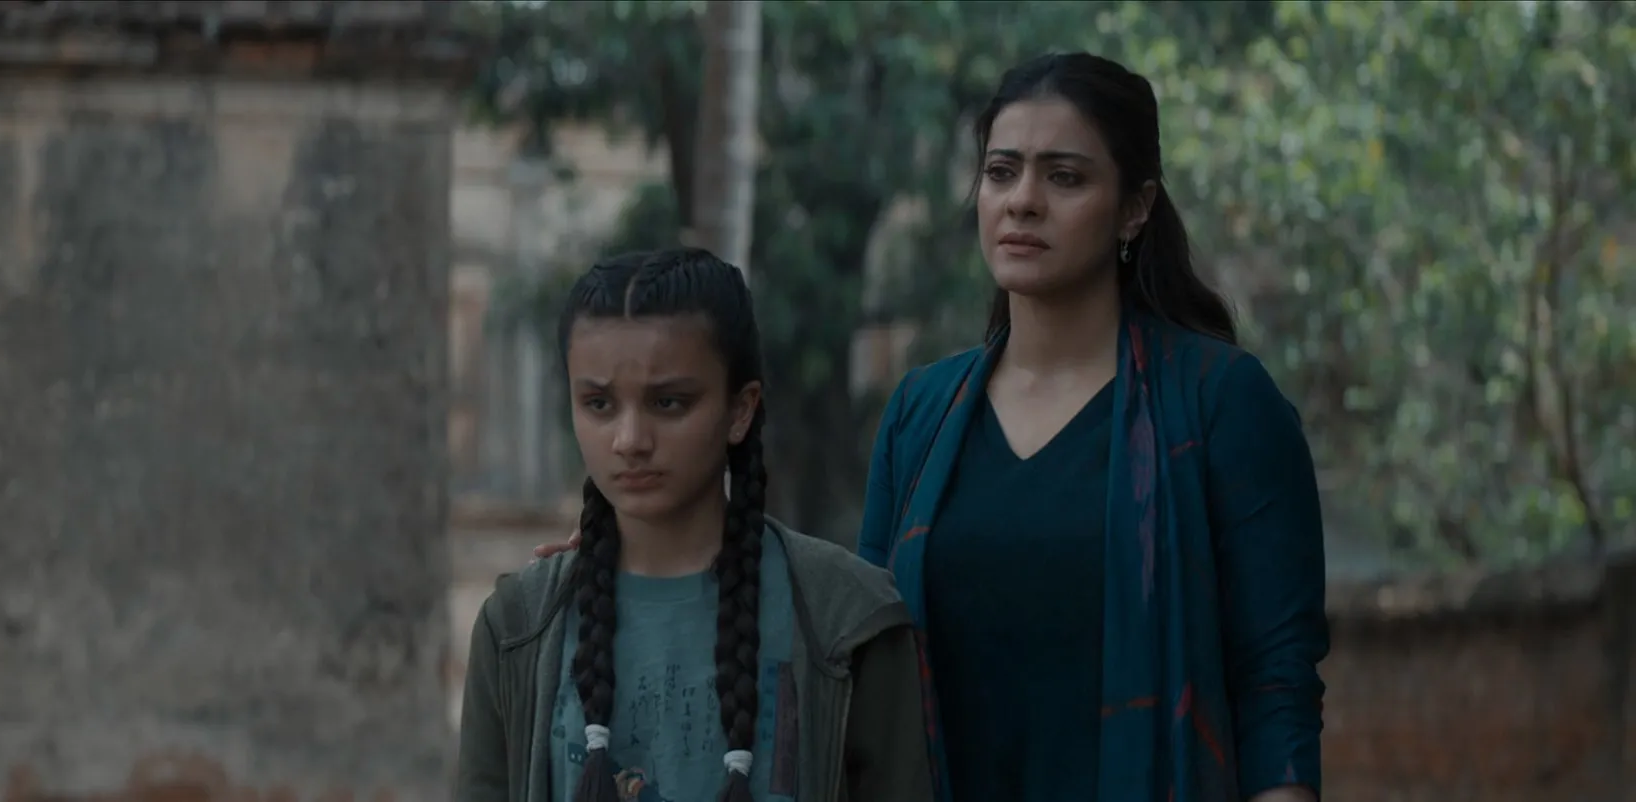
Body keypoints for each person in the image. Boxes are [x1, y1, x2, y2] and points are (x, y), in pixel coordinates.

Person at [535, 53, 1327, 802]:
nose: (1023, 200)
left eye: (1065, 176)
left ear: (1135, 207)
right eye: (1001, 171)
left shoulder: (1218, 403)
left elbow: (1276, 680)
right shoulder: (924, 410)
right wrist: (655, 542)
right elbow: (851, 637)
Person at [459, 248, 934, 802]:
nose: (630, 440)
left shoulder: (848, 620)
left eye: (668, 402)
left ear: (740, 409)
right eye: (599, 403)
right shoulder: (518, 626)